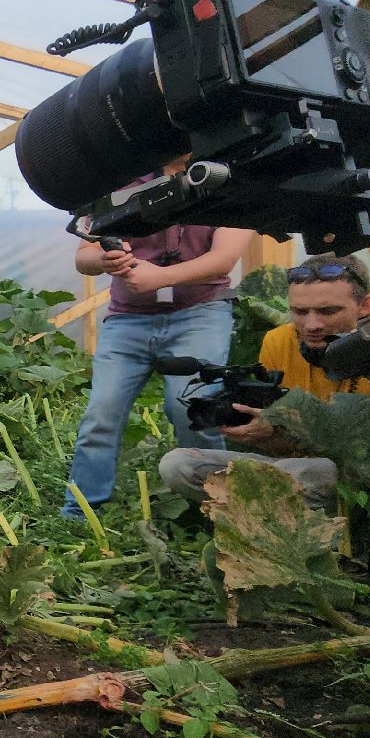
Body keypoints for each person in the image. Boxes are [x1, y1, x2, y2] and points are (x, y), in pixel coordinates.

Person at [155, 254, 370, 530]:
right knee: (178, 466)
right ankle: (289, 530)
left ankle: (342, 531)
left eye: (327, 311)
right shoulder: (278, 341)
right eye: (300, 311)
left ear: (366, 306)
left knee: (306, 473)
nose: (312, 325)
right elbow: (285, 449)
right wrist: (267, 434)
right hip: (304, 470)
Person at [60, 158, 251, 520]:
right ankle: (80, 511)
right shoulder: (125, 180)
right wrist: (106, 259)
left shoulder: (224, 176)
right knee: (102, 412)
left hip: (200, 312)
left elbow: (224, 258)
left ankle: (213, 507)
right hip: (128, 319)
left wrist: (160, 278)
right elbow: (83, 256)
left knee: (192, 408)